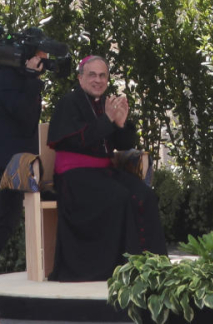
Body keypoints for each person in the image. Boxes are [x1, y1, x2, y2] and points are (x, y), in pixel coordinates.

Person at [46, 55, 167, 281]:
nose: (98, 80)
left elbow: (122, 145)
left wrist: (121, 124)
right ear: (80, 78)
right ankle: (119, 269)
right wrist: (107, 120)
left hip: (103, 172)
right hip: (74, 176)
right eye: (92, 75)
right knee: (119, 197)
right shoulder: (69, 103)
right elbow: (77, 142)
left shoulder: (106, 104)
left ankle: (152, 267)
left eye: (102, 75)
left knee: (145, 195)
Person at [0, 43, 50, 279]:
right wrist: (32, 79)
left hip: (23, 158)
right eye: (41, 60)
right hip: (7, 159)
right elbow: (23, 115)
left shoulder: (24, 80)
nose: (43, 66)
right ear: (28, 58)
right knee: (7, 217)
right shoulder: (7, 78)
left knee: (10, 216)